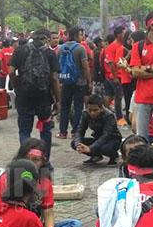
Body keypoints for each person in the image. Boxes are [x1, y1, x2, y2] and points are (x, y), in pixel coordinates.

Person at [0, 138, 82, 227]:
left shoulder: (44, 180)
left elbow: (48, 210)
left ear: (43, 161)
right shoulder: (7, 178)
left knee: (75, 226)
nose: (30, 163)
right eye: (27, 158)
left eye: (36, 160)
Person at [10, 29, 61, 164]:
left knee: (24, 131)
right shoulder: (50, 53)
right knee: (45, 131)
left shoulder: (20, 50)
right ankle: (44, 161)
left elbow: (10, 71)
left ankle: (27, 160)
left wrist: (17, 88)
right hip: (44, 98)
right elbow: (54, 78)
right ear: (46, 39)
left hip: (24, 97)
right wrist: (58, 100)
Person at [130, 12, 153, 146]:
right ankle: (141, 162)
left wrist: (147, 68)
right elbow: (135, 72)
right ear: (151, 25)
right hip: (143, 96)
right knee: (141, 135)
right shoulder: (138, 46)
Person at [56, 27, 92, 139]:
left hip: (65, 81)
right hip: (79, 82)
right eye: (81, 35)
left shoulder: (61, 48)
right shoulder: (80, 48)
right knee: (78, 107)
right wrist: (89, 82)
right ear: (75, 35)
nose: (82, 37)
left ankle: (62, 132)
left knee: (65, 107)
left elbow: (58, 66)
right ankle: (75, 132)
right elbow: (85, 67)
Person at [71, 94, 122, 165]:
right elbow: (80, 131)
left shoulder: (109, 115)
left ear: (101, 108)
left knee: (105, 148)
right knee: (74, 143)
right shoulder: (85, 114)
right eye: (90, 110)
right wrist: (78, 145)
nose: (92, 113)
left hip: (112, 139)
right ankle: (96, 155)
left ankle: (114, 156)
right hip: (97, 139)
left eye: (95, 110)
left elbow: (106, 135)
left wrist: (90, 148)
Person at [104, 26, 127, 124]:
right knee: (117, 97)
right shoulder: (113, 47)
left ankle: (104, 114)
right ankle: (119, 118)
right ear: (118, 35)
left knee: (110, 96)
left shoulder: (120, 46)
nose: (124, 35)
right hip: (114, 76)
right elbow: (112, 63)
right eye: (123, 33)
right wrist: (115, 77)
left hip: (113, 76)